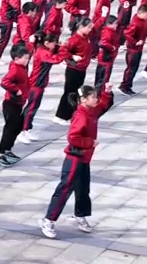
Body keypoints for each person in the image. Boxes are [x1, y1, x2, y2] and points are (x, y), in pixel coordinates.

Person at [40, 84, 113, 239]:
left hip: (85, 158)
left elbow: (103, 106)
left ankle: (79, 215)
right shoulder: (81, 115)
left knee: (82, 189)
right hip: (75, 159)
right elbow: (73, 138)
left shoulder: (91, 111)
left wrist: (107, 92)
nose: (96, 99)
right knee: (64, 189)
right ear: (84, 100)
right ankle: (48, 220)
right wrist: (89, 143)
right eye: (93, 97)